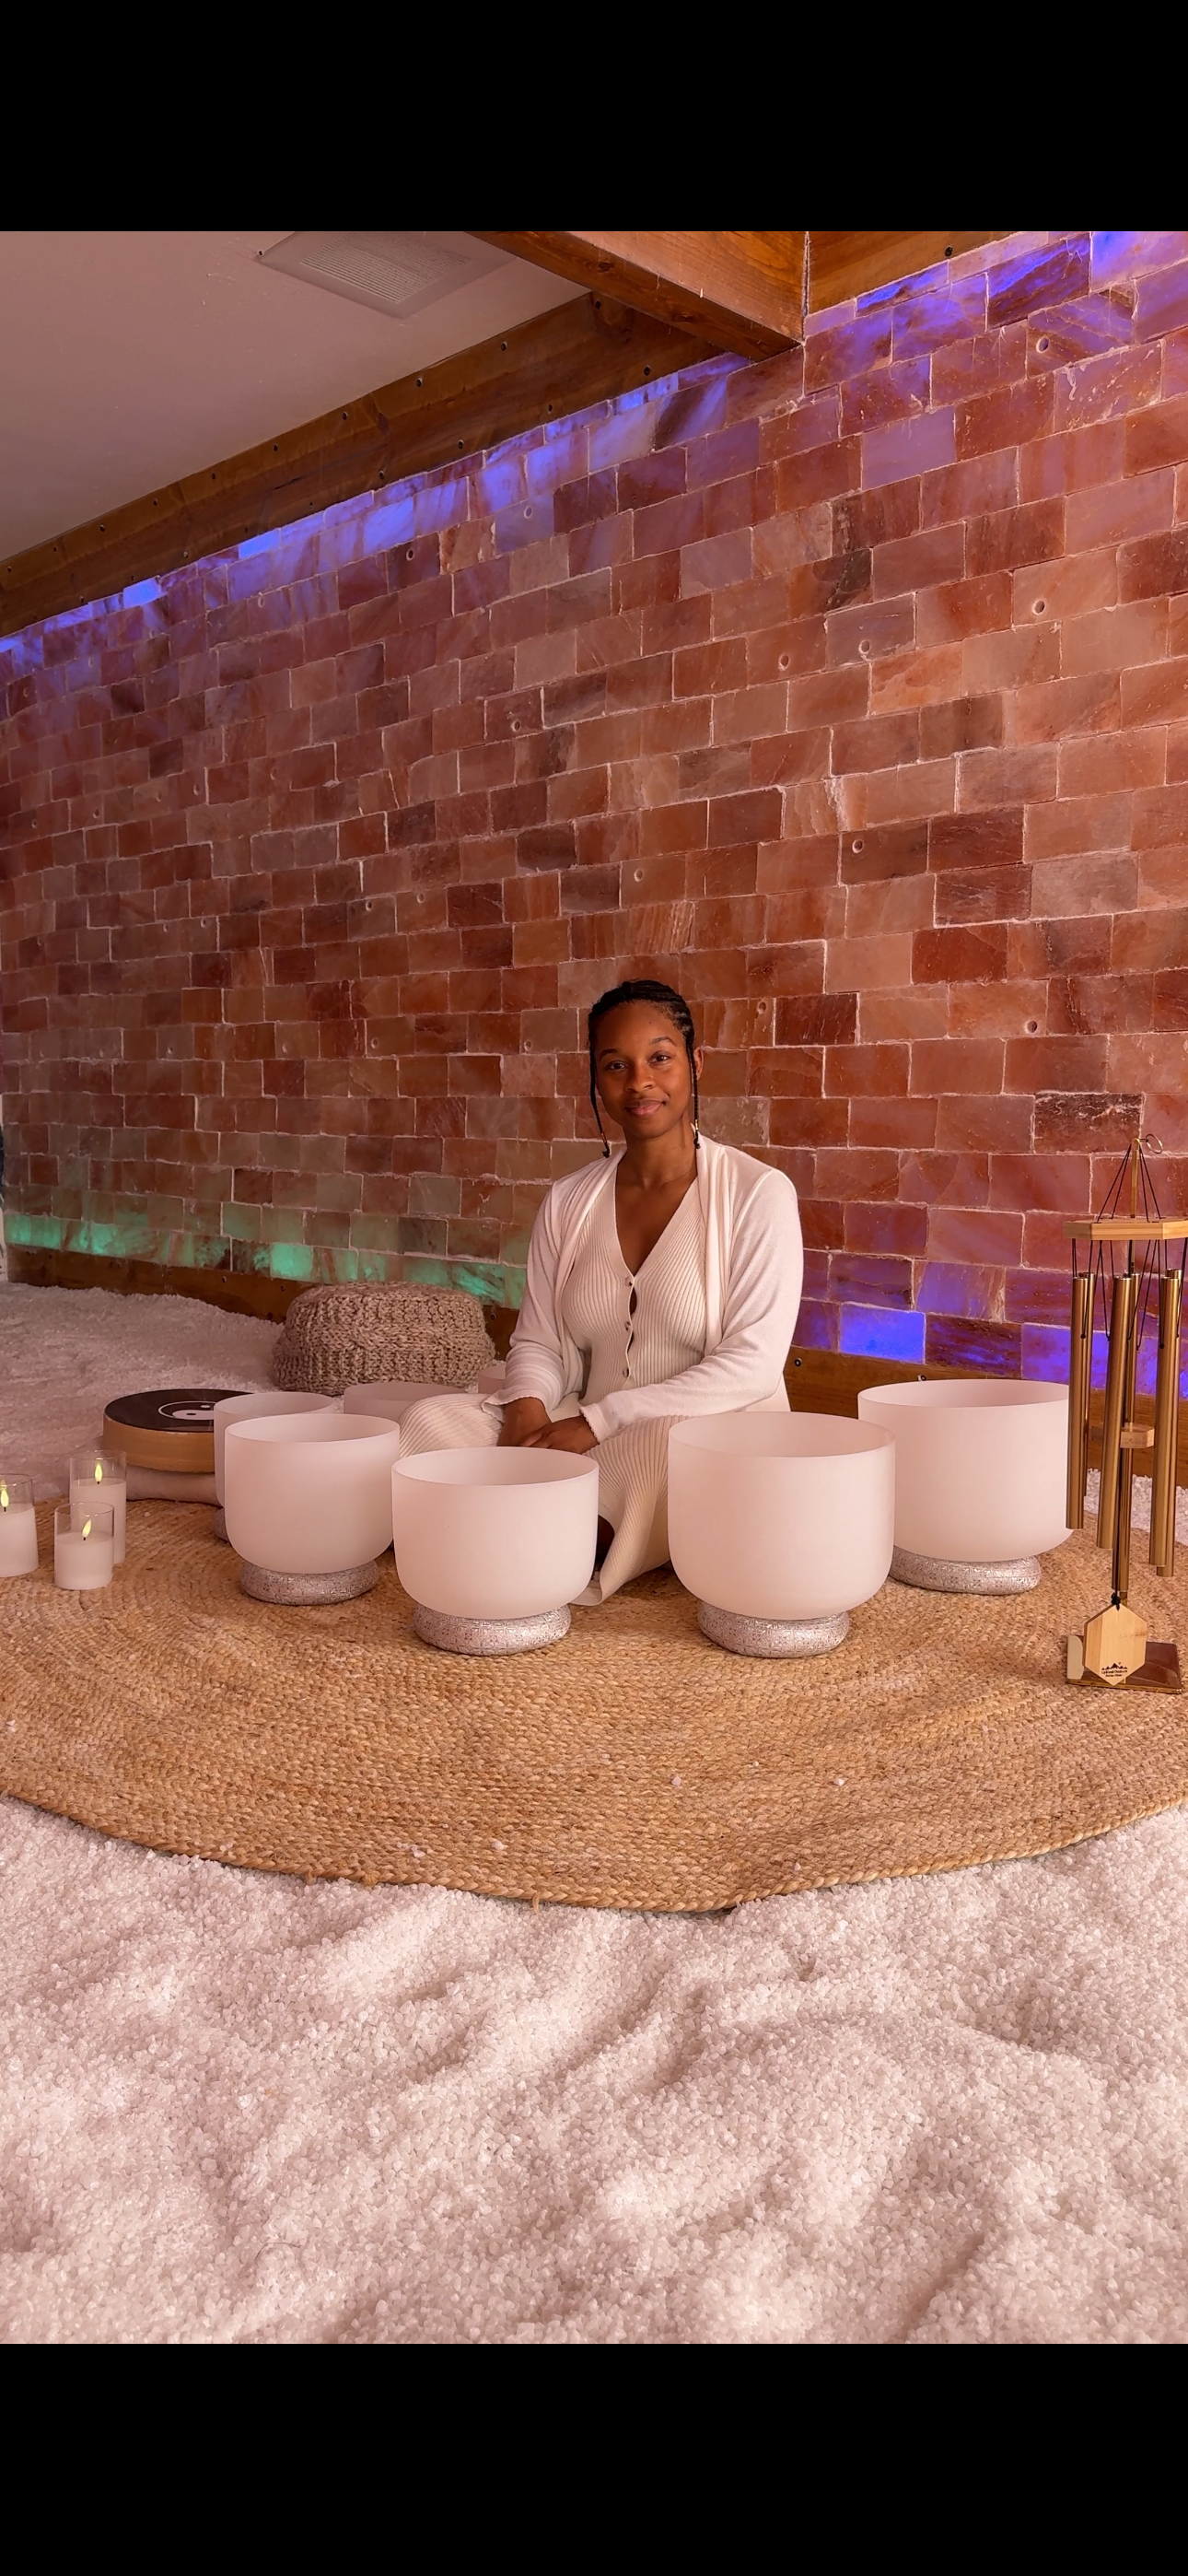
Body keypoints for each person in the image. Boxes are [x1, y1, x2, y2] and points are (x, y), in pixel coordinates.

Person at [400, 979, 803, 1603]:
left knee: (658, 1454)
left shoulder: (757, 1194)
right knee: (429, 1423)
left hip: (695, 1430)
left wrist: (598, 1421)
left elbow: (753, 1366)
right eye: (616, 1065)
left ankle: (518, 1534)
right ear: (597, 1080)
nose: (639, 1081)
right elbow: (535, 1339)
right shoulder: (569, 1201)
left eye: (660, 1058)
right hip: (580, 1426)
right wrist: (528, 1409)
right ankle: (528, 1519)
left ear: (695, 1065)